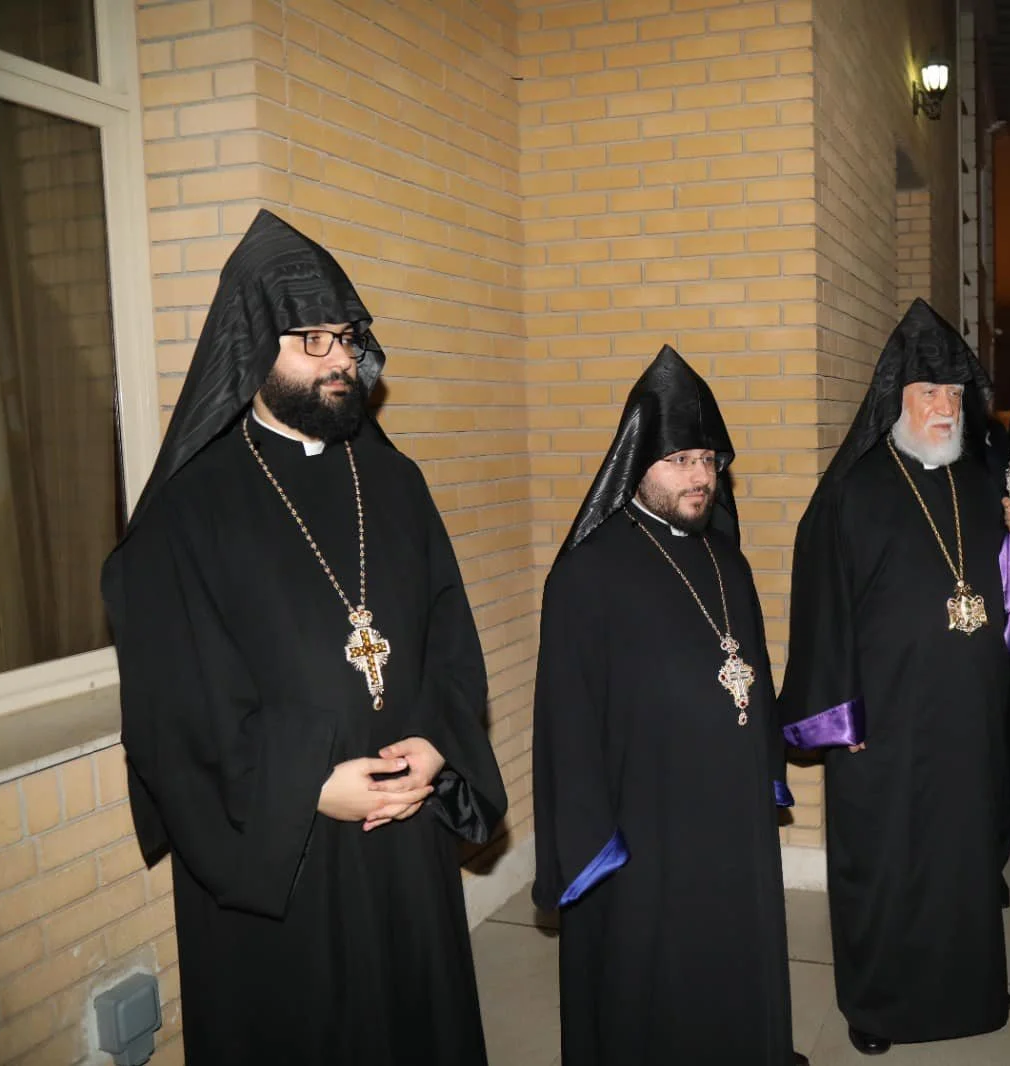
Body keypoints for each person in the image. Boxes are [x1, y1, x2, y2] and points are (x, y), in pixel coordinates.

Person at [100, 210, 508, 1066]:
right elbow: (177, 710)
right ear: (253, 347)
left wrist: (438, 744)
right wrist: (310, 787)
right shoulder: (188, 512)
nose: (340, 361)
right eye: (311, 341)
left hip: (403, 829)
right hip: (285, 852)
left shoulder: (395, 481)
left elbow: (450, 637)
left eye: (347, 339)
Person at [779, 299, 1010, 1055]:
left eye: (955, 394)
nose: (945, 407)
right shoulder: (853, 491)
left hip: (969, 716)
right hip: (885, 724)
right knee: (886, 864)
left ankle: (971, 991)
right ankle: (880, 1007)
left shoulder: (984, 485)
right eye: (929, 393)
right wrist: (840, 717)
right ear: (896, 399)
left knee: (965, 858)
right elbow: (821, 611)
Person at [531, 346, 807, 1066]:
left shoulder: (727, 559)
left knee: (732, 952)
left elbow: (750, 673)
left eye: (708, 459)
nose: (699, 476)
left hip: (733, 815)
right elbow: (566, 723)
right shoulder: (587, 574)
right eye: (679, 460)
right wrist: (590, 841)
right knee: (657, 976)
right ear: (636, 465)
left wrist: (764, 766)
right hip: (645, 820)